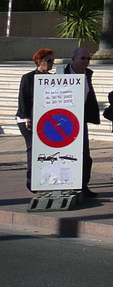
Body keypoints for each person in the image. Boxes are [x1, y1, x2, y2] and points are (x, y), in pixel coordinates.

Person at [15, 49, 55, 193]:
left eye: (53, 61)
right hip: (28, 119)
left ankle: (46, 178)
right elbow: (23, 99)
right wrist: (26, 118)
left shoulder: (52, 78)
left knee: (47, 150)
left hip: (45, 120)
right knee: (33, 149)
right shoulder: (28, 77)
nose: (52, 64)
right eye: (49, 61)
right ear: (40, 62)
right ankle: (31, 178)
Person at [62, 47, 100, 197]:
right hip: (64, 121)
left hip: (81, 119)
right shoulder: (61, 75)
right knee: (66, 154)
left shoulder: (87, 74)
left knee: (85, 154)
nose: (86, 62)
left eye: (88, 59)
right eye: (82, 58)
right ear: (73, 59)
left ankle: (83, 185)